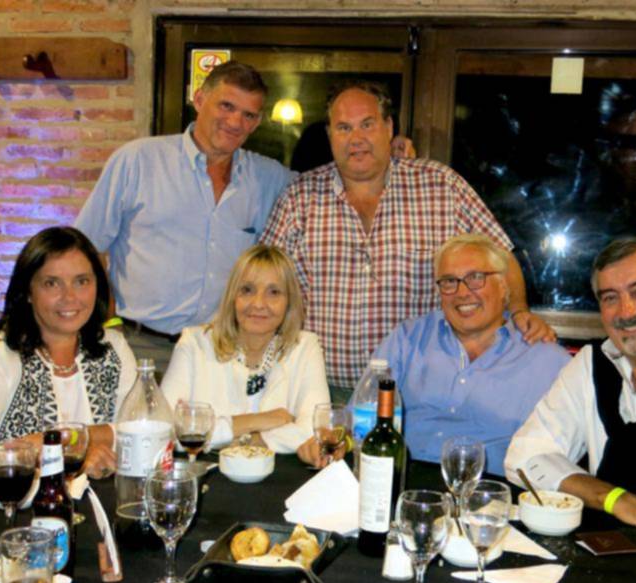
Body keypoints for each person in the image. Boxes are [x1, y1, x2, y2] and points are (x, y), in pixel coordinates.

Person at [261, 80, 555, 399]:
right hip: (322, 392)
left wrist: (520, 311)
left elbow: (499, 257)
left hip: (420, 393)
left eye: (367, 124)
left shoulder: (441, 186)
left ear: (389, 127)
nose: (356, 139)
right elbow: (261, 279)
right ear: (330, 134)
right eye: (344, 127)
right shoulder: (298, 198)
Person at [75, 60, 294, 371]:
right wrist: (107, 321)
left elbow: (324, 186)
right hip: (140, 347)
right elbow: (84, 248)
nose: (235, 122)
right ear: (200, 99)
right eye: (226, 106)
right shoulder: (138, 160)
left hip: (223, 351)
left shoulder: (268, 178)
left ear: (257, 122)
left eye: (248, 115)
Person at [504, 236, 636, 554]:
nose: (627, 311)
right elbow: (523, 456)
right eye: (610, 298)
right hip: (607, 557)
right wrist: (616, 499)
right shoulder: (593, 363)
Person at [0, 227, 137, 487]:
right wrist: (54, 454)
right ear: (27, 291)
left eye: (82, 281)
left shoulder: (112, 347)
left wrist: (68, 439)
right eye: (51, 283)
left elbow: (144, 432)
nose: (70, 297)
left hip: (67, 505)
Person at [373, 235, 570, 476]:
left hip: (492, 490)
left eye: (476, 278)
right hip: (403, 482)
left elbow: (562, 463)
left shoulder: (549, 361)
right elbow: (362, 417)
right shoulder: (408, 339)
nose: (462, 292)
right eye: (449, 281)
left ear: (503, 286)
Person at [161, 245, 330, 467]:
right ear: (233, 296)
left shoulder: (305, 347)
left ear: (289, 301)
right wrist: (257, 421)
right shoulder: (194, 344)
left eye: (274, 292)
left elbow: (316, 430)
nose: (258, 303)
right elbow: (163, 432)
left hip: (279, 479)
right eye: (247, 290)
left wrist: (250, 440)